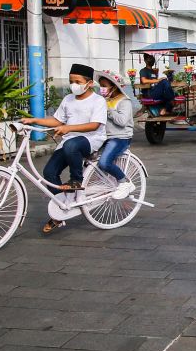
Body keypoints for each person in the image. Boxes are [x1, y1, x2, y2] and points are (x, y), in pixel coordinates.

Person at [20, 64, 108, 233]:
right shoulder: (68, 99)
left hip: (91, 139)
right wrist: (33, 121)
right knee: (49, 173)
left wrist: (69, 128)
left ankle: (77, 180)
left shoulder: (98, 100)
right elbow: (57, 121)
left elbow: (95, 125)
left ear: (89, 83)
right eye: (71, 81)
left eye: (77, 81)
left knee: (71, 144)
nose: (73, 84)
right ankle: (61, 209)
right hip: (69, 141)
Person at [95, 71, 137, 200]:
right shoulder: (104, 100)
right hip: (104, 136)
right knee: (86, 157)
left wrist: (109, 110)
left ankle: (124, 182)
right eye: (100, 85)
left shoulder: (124, 101)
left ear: (113, 86)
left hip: (120, 138)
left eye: (104, 85)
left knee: (104, 162)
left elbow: (122, 121)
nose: (101, 88)